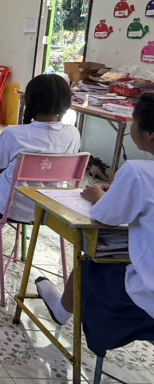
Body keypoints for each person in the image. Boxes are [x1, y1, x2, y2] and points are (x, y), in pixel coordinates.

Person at [34, 92, 154, 335]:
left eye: (134, 121)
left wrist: (97, 195)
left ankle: (62, 310)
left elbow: (105, 217)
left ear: (150, 133)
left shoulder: (138, 171)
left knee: (91, 259)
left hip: (145, 296)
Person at [0, 73, 80, 255]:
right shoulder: (73, 134)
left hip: (13, 205)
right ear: (66, 102)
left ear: (29, 101)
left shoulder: (13, 133)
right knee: (1, 188)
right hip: (48, 208)